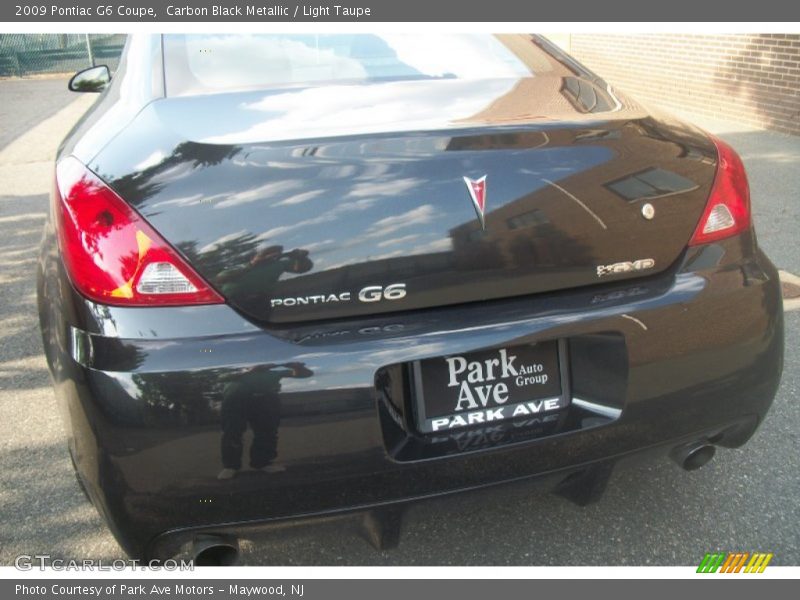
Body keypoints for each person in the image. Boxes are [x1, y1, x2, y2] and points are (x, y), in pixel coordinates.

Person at [217, 362, 313, 480]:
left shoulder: (274, 372)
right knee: (231, 432)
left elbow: (306, 374)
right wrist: (249, 370)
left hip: (266, 401)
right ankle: (230, 466)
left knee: (267, 432)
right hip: (235, 400)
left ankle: (263, 463)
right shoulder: (234, 369)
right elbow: (221, 378)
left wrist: (296, 367)